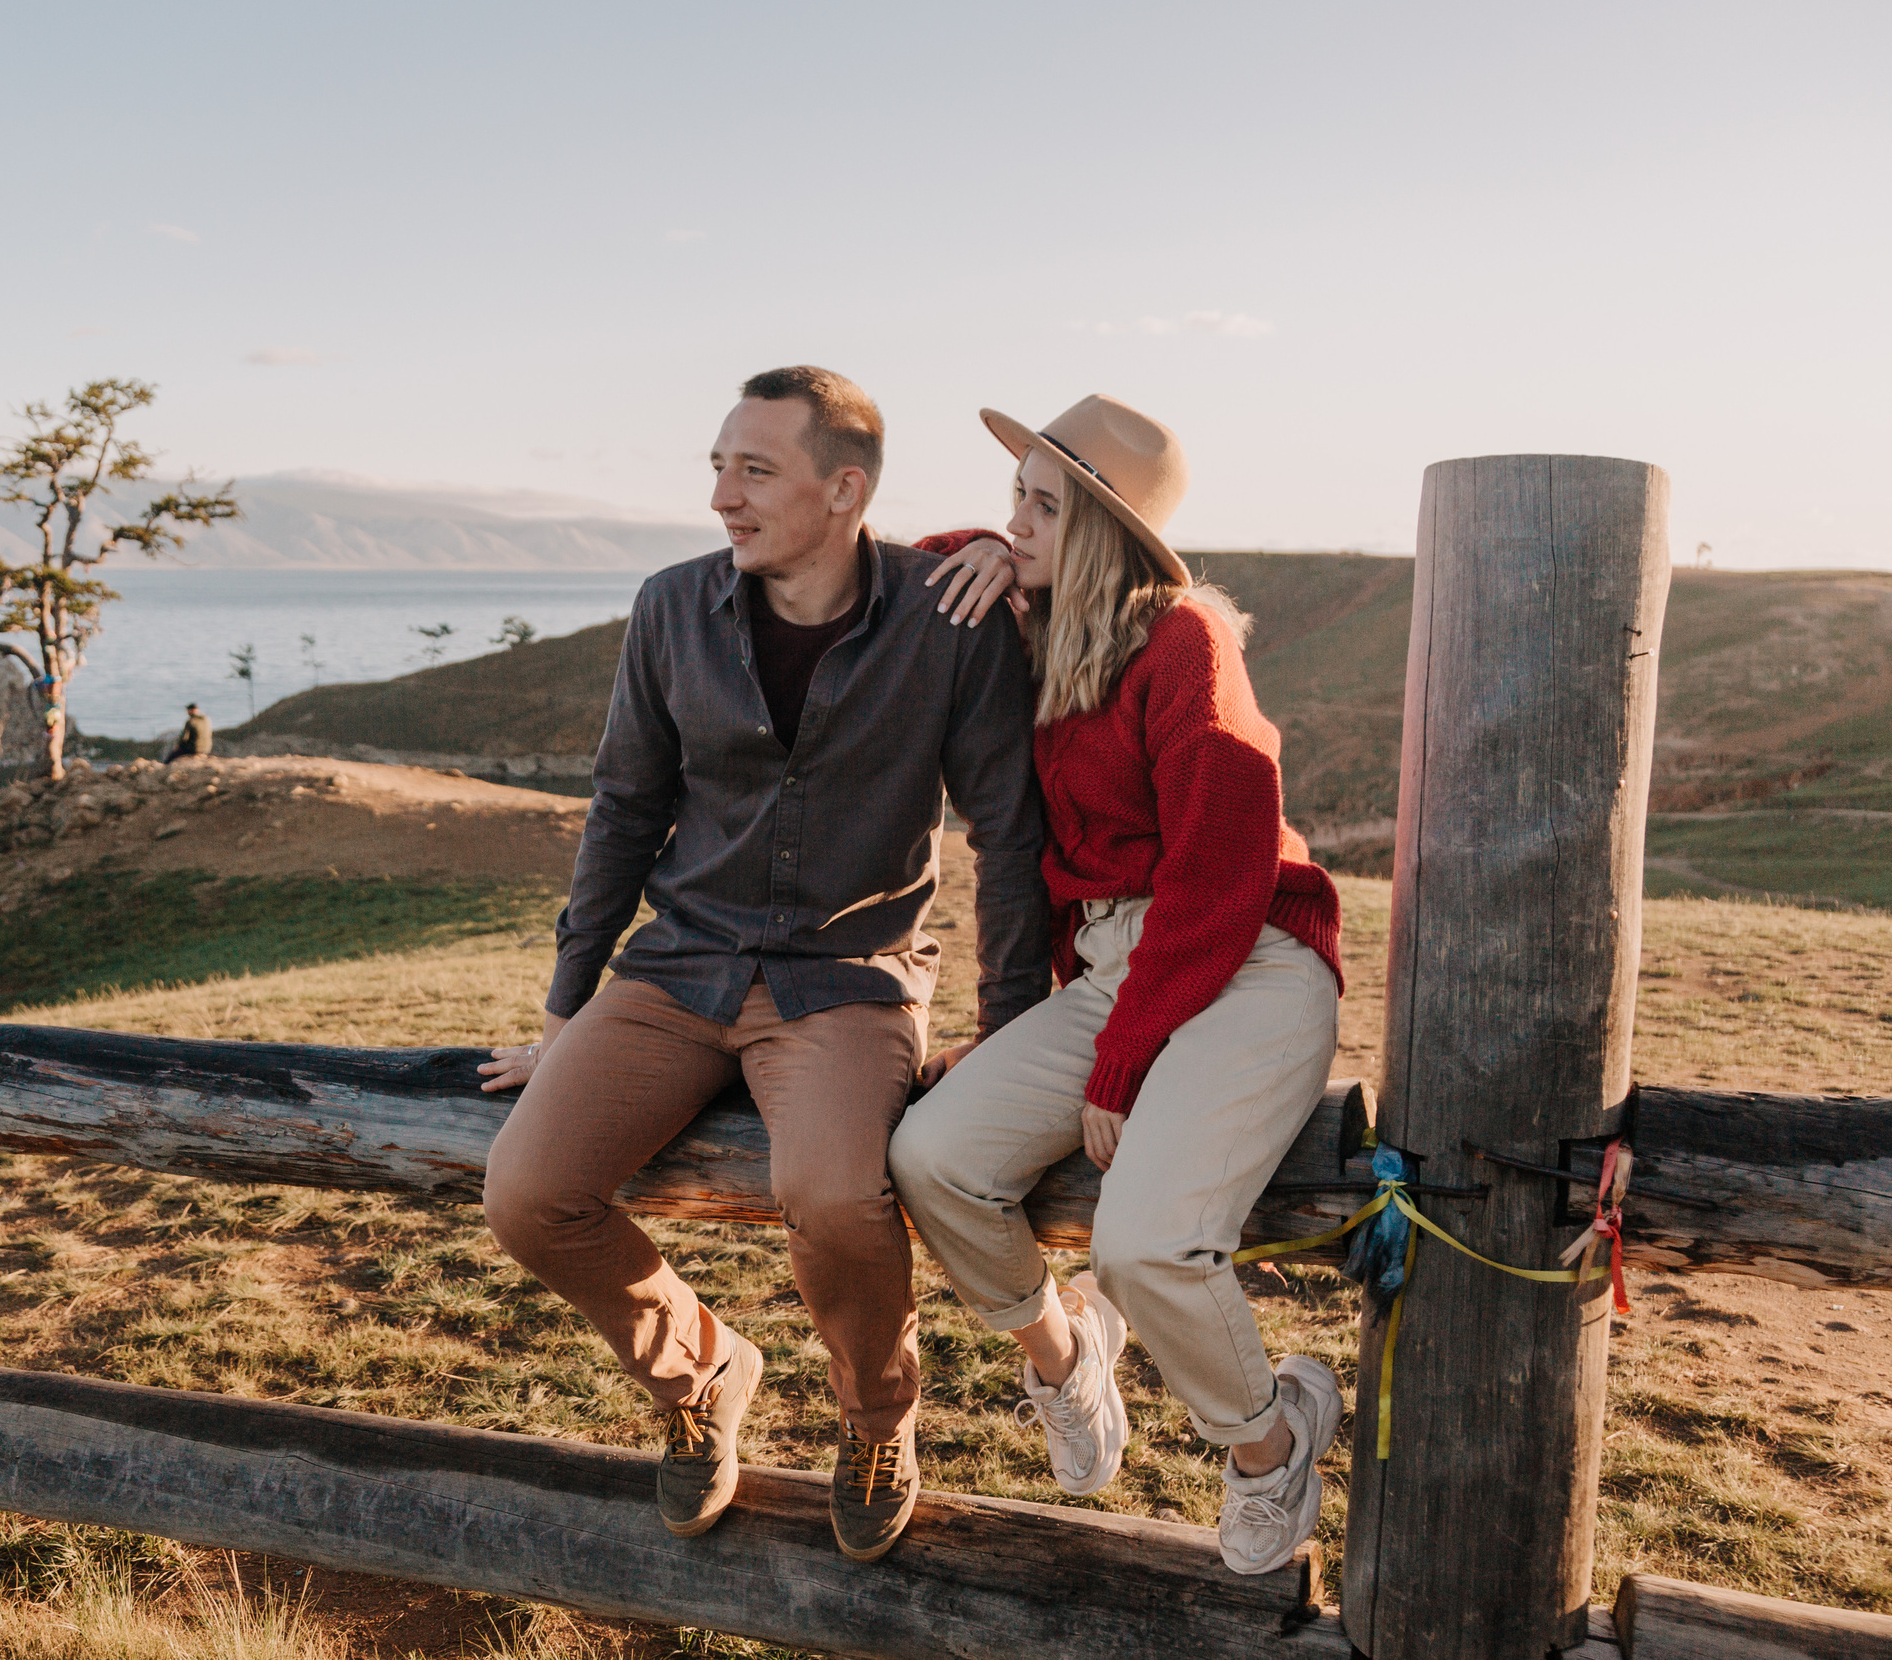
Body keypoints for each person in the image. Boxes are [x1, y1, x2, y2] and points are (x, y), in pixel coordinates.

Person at [478, 366, 1048, 1562]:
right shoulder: (671, 608)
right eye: (717, 468)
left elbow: (1007, 832)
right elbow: (622, 811)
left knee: (837, 1197)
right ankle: (699, 1376)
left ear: (843, 490)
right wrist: (568, 1014)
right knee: (528, 1195)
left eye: (754, 471)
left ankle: (876, 1418)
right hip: (676, 965)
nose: (721, 499)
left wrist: (1010, 1030)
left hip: (848, 974)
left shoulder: (951, 620)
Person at [890, 395, 1346, 1577]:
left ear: (1103, 529)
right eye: (1015, 500)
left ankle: (1269, 1438)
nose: (1014, 523)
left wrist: (1125, 1055)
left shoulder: (1186, 643)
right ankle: (1064, 1354)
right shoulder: (1041, 633)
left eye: (1041, 506)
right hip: (1110, 968)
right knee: (932, 1158)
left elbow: (1220, 871)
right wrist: (980, 548)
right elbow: (903, 570)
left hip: (1244, 962)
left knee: (1145, 1243)